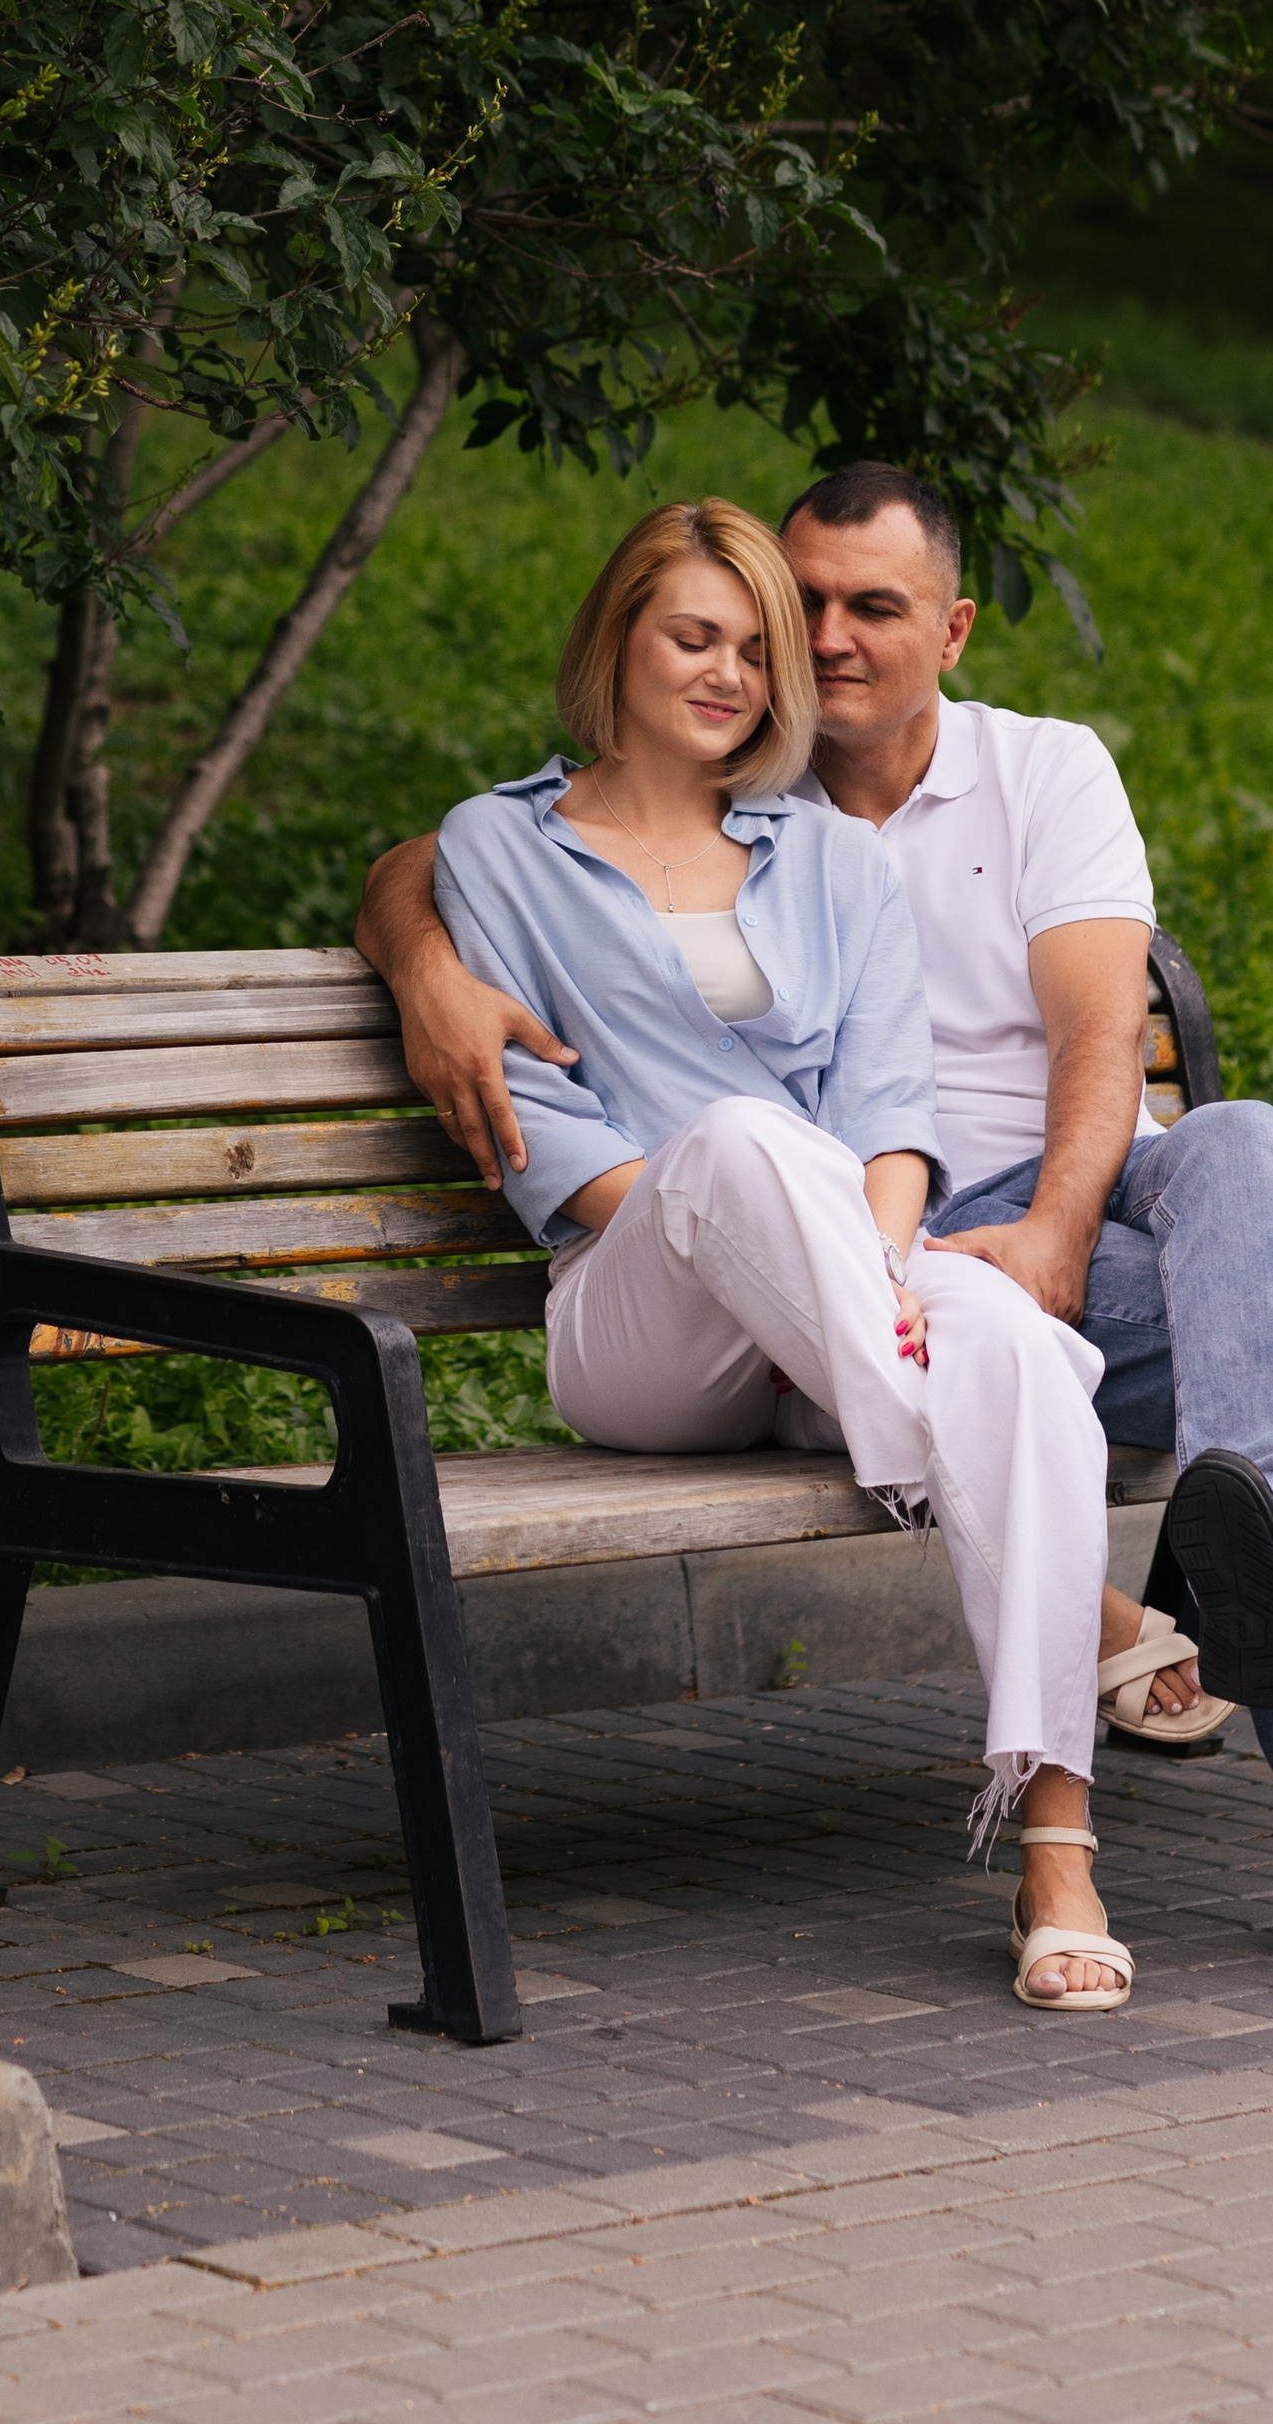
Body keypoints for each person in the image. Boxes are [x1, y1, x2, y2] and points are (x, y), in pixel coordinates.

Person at [359, 462, 1273, 1992]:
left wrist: (1056, 1236)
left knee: (1243, 1149)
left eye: (866, 609)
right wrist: (420, 960)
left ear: (951, 631)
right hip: (830, 1255)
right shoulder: (732, 784)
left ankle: (1259, 1572)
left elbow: (1103, 1032)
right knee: (1259, 1368)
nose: (815, 644)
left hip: (1039, 1216)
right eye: (789, 608)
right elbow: (457, 859)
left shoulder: (1035, 773)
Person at [424, 491, 1134, 2010]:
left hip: (839, 1298)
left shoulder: (830, 860)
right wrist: (755, 1238)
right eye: (695, 635)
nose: (732, 673)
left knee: (999, 1329)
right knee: (739, 1149)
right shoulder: (501, 849)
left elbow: (889, 1122)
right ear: (615, 637)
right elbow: (557, 1148)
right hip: (641, 1321)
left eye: (756, 650)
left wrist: (865, 1272)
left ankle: (1058, 1849)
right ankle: (1003, 1513)